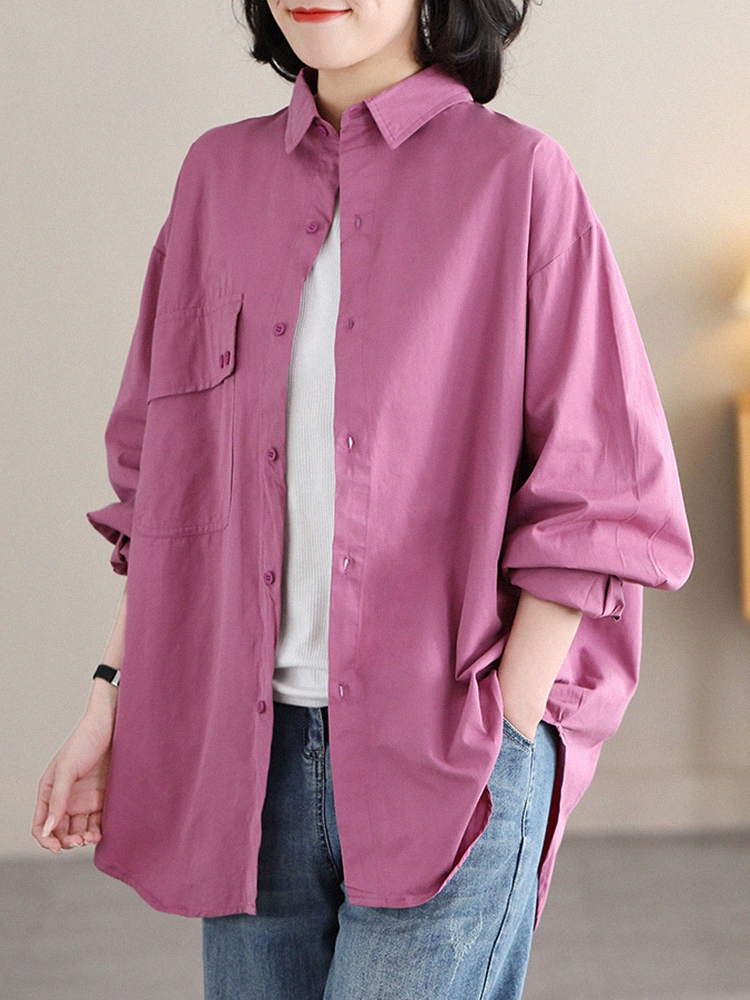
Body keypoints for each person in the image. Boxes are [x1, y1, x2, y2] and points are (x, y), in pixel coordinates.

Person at [32, 0, 694, 997]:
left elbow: (602, 491)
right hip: (244, 768)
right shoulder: (216, 179)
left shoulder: (520, 179)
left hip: (449, 756)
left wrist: (506, 736)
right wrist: (109, 697)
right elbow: (167, 492)